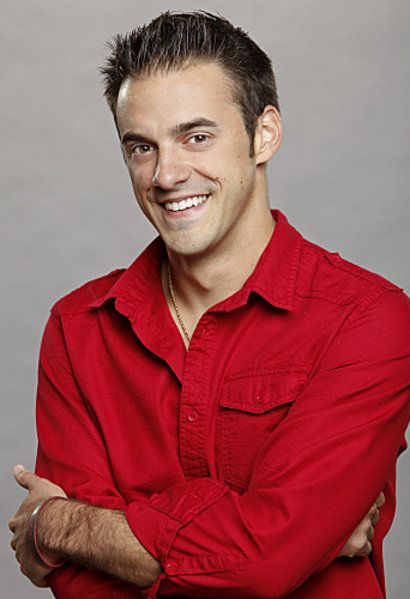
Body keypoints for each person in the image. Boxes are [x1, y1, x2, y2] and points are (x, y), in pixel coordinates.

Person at [8, 10, 410, 599]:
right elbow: (80, 585)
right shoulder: (78, 328)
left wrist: (60, 525)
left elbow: (264, 563)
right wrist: (288, 535)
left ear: (263, 134)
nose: (166, 174)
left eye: (196, 137)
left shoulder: (370, 319)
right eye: (141, 147)